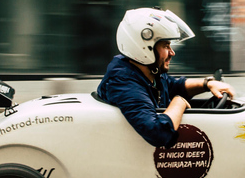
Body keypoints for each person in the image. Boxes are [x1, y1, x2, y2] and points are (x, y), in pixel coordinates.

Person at [97, 8, 235, 148]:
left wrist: (207, 84)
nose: (172, 53)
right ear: (144, 47)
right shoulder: (124, 83)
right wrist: (179, 102)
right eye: (166, 46)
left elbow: (173, 85)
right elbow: (159, 133)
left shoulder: (148, 73)